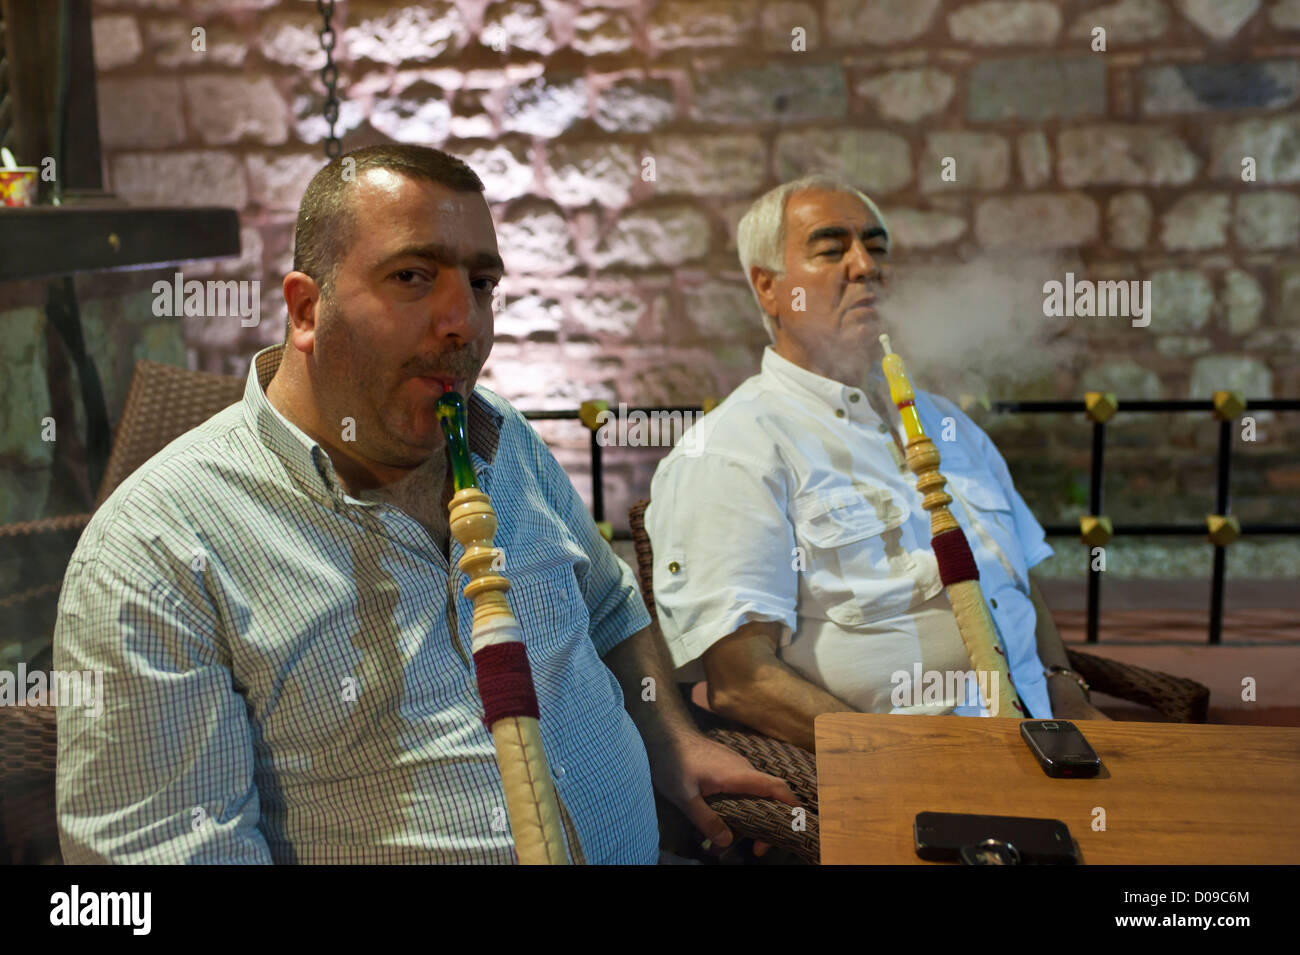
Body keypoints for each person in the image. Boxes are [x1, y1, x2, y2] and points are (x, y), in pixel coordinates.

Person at [54, 144, 794, 864]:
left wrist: (672, 739)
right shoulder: (156, 551)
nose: (464, 322)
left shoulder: (505, 441)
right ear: (307, 310)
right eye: (412, 276)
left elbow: (610, 606)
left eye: (480, 283)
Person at [646, 175, 1109, 753]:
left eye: (877, 246)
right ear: (768, 288)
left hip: (1048, 740)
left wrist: (1068, 693)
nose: (866, 266)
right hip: (916, 767)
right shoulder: (735, 449)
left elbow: (1015, 579)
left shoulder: (944, 421)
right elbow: (743, 683)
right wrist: (892, 762)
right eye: (831, 248)